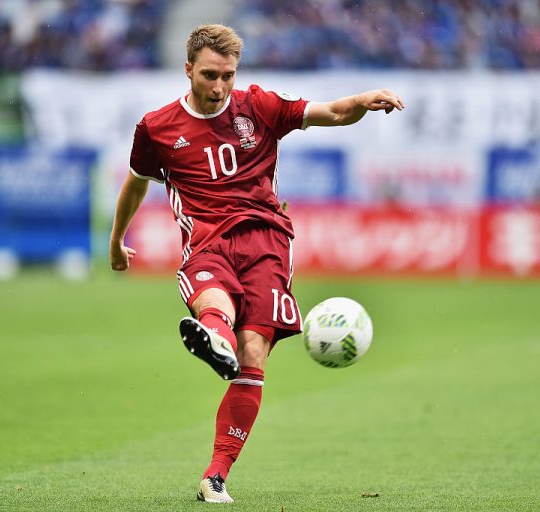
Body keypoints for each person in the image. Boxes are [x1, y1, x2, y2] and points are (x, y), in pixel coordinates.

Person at [109, 23, 404, 504]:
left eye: (227, 75)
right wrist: (116, 239)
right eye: (209, 75)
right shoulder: (157, 127)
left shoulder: (260, 106)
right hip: (207, 240)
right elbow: (137, 181)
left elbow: (331, 112)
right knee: (215, 303)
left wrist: (361, 100)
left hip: (267, 242)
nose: (219, 86)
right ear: (188, 70)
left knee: (252, 354)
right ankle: (214, 338)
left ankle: (215, 475)